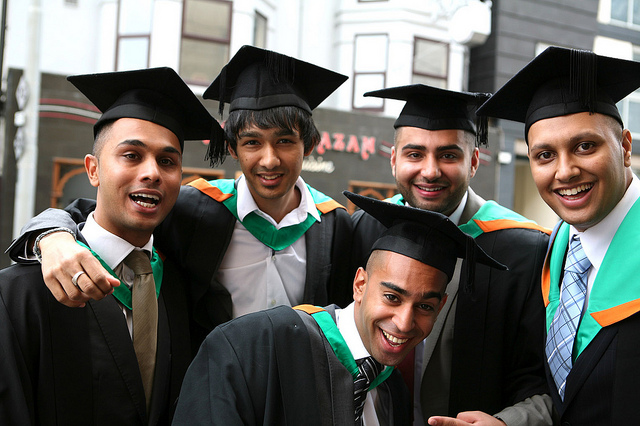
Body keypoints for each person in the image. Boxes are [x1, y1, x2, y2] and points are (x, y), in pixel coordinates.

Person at [6, 45, 353, 328]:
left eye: (285, 142)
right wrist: (51, 236)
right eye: (251, 143)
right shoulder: (196, 208)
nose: (269, 160)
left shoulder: (335, 226)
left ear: (308, 146)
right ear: (231, 149)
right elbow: (99, 212)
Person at [0, 67, 223, 424]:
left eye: (167, 161)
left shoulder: (182, 287)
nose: (152, 172)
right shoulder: (20, 291)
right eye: (132, 156)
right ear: (93, 170)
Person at [172, 191, 507, 426]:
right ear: (359, 284)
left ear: (441, 306)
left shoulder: (392, 393)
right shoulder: (250, 347)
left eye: (424, 306)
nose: (405, 323)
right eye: (392, 297)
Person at [350, 84, 553, 426]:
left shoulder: (523, 249)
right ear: (393, 159)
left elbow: (540, 379)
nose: (430, 171)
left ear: (473, 161)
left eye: (448, 155)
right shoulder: (363, 229)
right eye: (415, 154)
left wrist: (506, 423)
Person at [477, 46, 640, 425]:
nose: (564, 172)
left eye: (585, 146)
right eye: (545, 155)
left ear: (625, 147)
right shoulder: (559, 246)